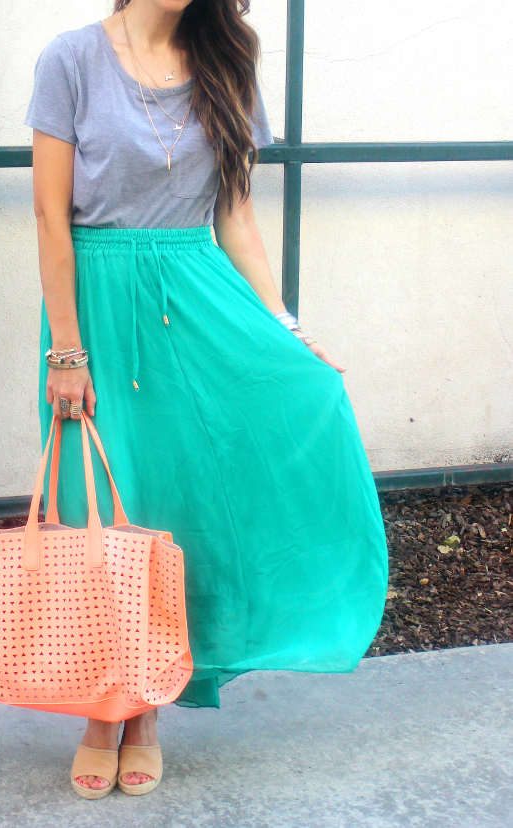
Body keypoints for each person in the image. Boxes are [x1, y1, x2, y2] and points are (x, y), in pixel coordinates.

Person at [25, 0, 388, 800]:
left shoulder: (226, 60)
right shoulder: (72, 59)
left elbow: (236, 218)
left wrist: (285, 328)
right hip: (96, 312)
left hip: (196, 305)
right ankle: (102, 708)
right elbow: (51, 215)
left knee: (173, 510)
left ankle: (148, 710)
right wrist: (66, 350)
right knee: (100, 510)